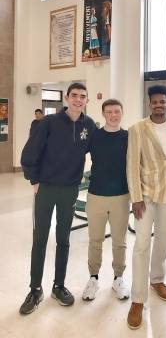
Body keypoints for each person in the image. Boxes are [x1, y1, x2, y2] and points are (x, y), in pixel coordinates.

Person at [19, 82, 96, 315]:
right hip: (46, 188)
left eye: (83, 96)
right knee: (40, 238)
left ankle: (58, 286)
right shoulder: (48, 123)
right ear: (66, 98)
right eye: (74, 96)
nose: (78, 100)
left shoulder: (89, 125)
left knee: (63, 239)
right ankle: (35, 289)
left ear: (86, 101)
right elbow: (29, 152)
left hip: (70, 189)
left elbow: (99, 151)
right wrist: (33, 179)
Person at [126, 85, 166, 330]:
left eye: (163, 101)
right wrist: (135, 197)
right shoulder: (137, 129)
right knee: (141, 245)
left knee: (164, 239)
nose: (159, 105)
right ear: (149, 104)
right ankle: (138, 299)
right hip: (146, 196)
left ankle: (157, 279)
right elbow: (131, 164)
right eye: (155, 102)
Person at [82, 99, 130, 301]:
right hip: (96, 196)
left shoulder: (129, 137)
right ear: (103, 114)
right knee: (95, 240)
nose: (113, 115)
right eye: (109, 112)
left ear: (121, 113)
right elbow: (72, 153)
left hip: (121, 196)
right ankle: (93, 278)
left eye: (117, 111)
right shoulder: (94, 136)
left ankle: (118, 278)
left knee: (120, 241)